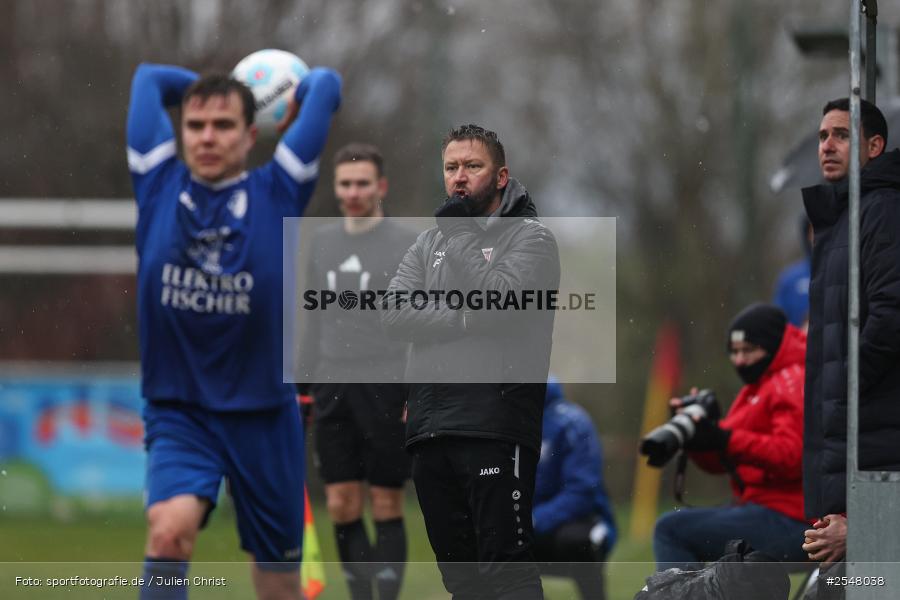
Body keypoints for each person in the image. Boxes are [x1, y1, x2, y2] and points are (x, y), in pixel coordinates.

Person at [126, 61, 341, 600]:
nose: (207, 137)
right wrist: (226, 90)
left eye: (223, 125)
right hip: (181, 410)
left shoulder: (280, 189)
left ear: (251, 135)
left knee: (279, 585)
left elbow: (327, 85)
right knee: (168, 532)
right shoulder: (157, 183)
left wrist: (268, 98)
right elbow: (148, 78)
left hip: (265, 415)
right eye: (195, 125)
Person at [381, 124, 561, 599]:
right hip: (430, 428)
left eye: (472, 166)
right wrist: (463, 318)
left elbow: (498, 302)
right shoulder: (428, 243)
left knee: (506, 571)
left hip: (494, 424)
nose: (459, 177)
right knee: (462, 581)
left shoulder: (532, 239)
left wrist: (459, 232)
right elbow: (394, 312)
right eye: (451, 167)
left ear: (500, 176)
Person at [297, 143, 416, 600]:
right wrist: (302, 386)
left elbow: (421, 326)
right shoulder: (323, 242)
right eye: (345, 183)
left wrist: (417, 389)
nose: (352, 192)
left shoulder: (407, 244)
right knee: (341, 502)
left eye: (362, 183)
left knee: (385, 500)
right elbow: (314, 319)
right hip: (332, 386)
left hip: (387, 386)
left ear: (380, 186)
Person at [800, 98, 900, 566]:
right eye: (823, 136)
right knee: (848, 585)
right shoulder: (840, 218)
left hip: (876, 441)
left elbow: (890, 316)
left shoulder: (881, 209)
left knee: (873, 581)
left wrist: (846, 386)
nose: (827, 145)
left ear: (874, 146)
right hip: (852, 443)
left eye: (841, 135)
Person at [653, 303, 808, 571]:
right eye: (734, 352)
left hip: (794, 519)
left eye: (748, 350)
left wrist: (724, 438)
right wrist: (699, 439)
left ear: (773, 346)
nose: (739, 360)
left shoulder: (790, 382)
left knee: (671, 529)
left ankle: (681, 591)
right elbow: (723, 460)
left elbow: (793, 456)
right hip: (763, 508)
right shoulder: (759, 387)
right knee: (677, 526)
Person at [533, 377, 617, 600]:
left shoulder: (572, 422)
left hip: (576, 522)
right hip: (526, 522)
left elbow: (582, 492)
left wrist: (534, 519)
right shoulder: (506, 422)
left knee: (578, 541)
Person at [772, 216, 812, 330]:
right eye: (812, 230)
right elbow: (778, 322)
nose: (816, 236)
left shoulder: (844, 272)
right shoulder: (790, 279)